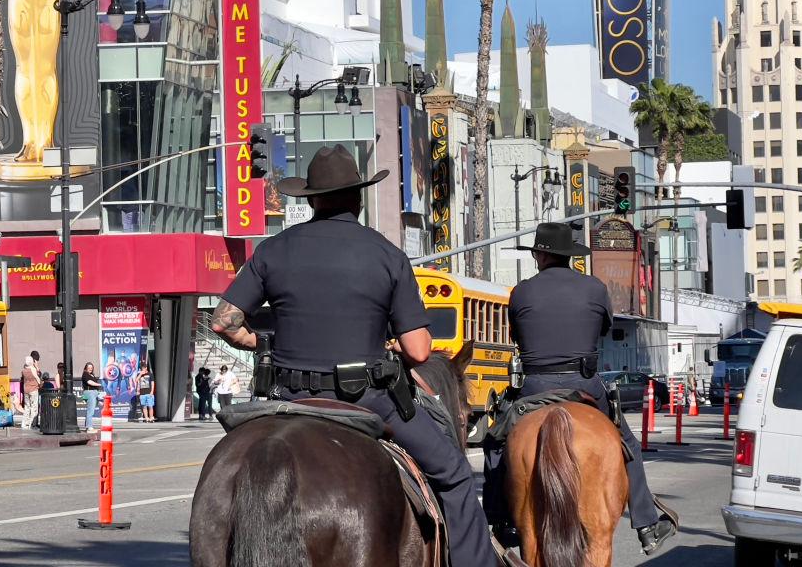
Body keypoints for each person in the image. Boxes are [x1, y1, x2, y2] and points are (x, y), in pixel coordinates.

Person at [212, 144, 498, 567]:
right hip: (366, 399)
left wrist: (262, 343)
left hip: (289, 396)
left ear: (310, 199)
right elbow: (419, 350)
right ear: (359, 198)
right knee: (454, 476)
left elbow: (224, 322)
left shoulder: (273, 250)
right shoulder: (387, 255)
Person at [483, 222, 677, 555]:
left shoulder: (522, 292)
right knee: (627, 444)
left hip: (534, 387)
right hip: (584, 384)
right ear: (568, 255)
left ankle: (500, 521)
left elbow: (516, 334)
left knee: (496, 445)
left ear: (540, 254)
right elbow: (603, 327)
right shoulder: (595, 288)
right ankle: (646, 524)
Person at [20, 356, 41, 430]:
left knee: (27, 407)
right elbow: (37, 378)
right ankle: (31, 424)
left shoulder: (23, 371)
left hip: (26, 390)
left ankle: (24, 424)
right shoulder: (33, 369)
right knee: (34, 407)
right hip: (33, 389)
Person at [80, 362, 102, 433]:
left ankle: (88, 426)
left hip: (94, 393)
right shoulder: (85, 374)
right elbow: (89, 382)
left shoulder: (92, 375)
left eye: (91, 368)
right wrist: (99, 384)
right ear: (86, 368)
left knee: (90, 410)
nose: (90, 369)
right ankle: (89, 427)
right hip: (89, 393)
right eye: (88, 367)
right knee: (90, 411)